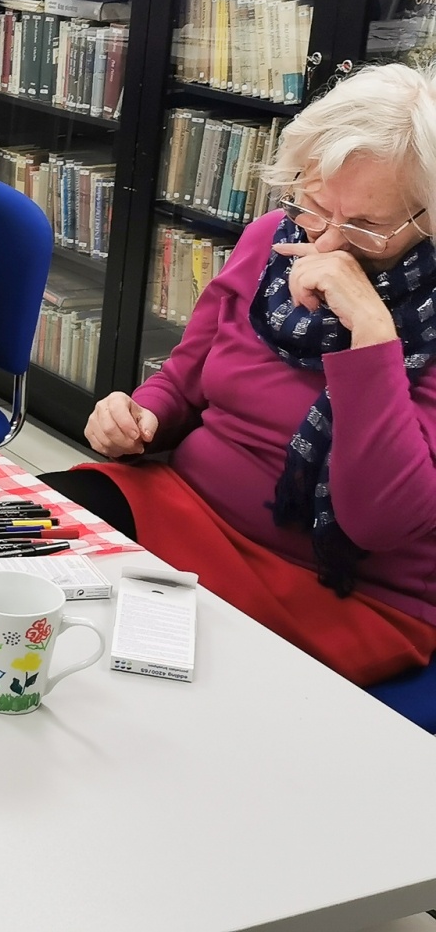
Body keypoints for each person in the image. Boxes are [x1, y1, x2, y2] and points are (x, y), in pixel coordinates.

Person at [41, 62, 436, 687]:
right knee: (2, 550)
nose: (326, 245)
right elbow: (184, 381)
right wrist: (142, 415)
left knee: (125, 690)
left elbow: (379, 522)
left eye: (365, 226)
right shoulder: (270, 240)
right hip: (182, 509)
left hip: (340, 590)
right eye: (314, 205)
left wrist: (371, 331)